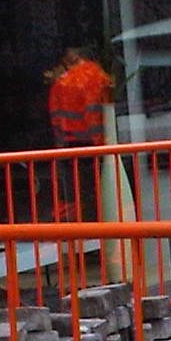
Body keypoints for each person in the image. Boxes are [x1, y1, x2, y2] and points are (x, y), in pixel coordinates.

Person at [45, 46, 112, 221]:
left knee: (77, 195)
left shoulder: (60, 85)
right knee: (95, 196)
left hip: (72, 149)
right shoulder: (96, 76)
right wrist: (102, 147)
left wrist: (60, 150)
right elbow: (94, 116)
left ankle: (84, 234)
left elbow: (57, 123)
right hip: (93, 147)